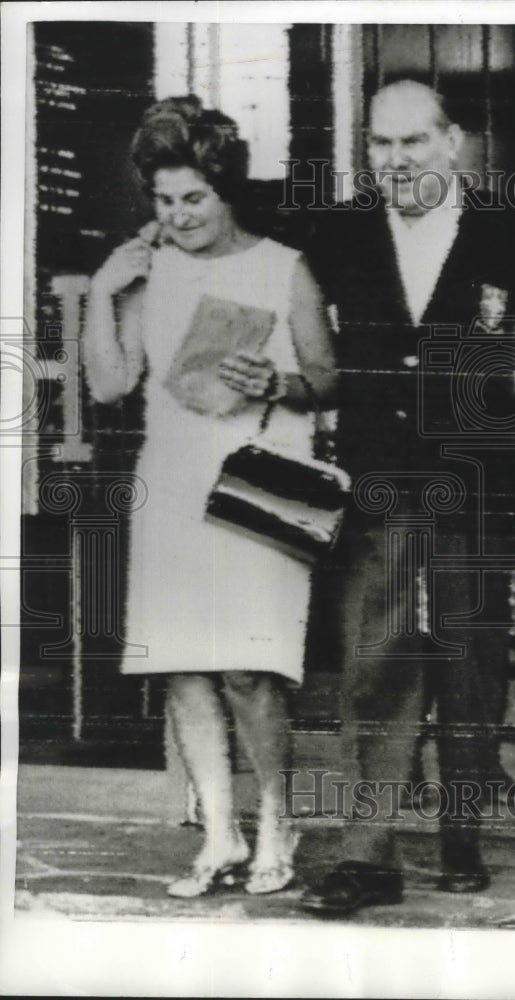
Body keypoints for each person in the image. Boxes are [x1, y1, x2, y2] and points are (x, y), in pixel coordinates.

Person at [299, 79, 515, 914]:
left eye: (411, 142)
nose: (394, 161)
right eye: (379, 145)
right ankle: (367, 854)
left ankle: (461, 832)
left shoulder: (513, 231)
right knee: (378, 662)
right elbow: (269, 291)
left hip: (479, 479)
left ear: (453, 142)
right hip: (381, 482)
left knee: (471, 661)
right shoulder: (337, 233)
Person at [83, 96, 336, 898]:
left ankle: (275, 825)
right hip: (172, 480)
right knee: (186, 669)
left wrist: (278, 380)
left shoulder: (282, 266)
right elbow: (110, 383)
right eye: (163, 200)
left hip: (259, 482)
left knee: (251, 671)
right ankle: (220, 835)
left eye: (193, 197)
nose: (178, 215)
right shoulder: (142, 271)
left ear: (226, 191)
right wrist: (101, 291)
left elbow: (330, 382)